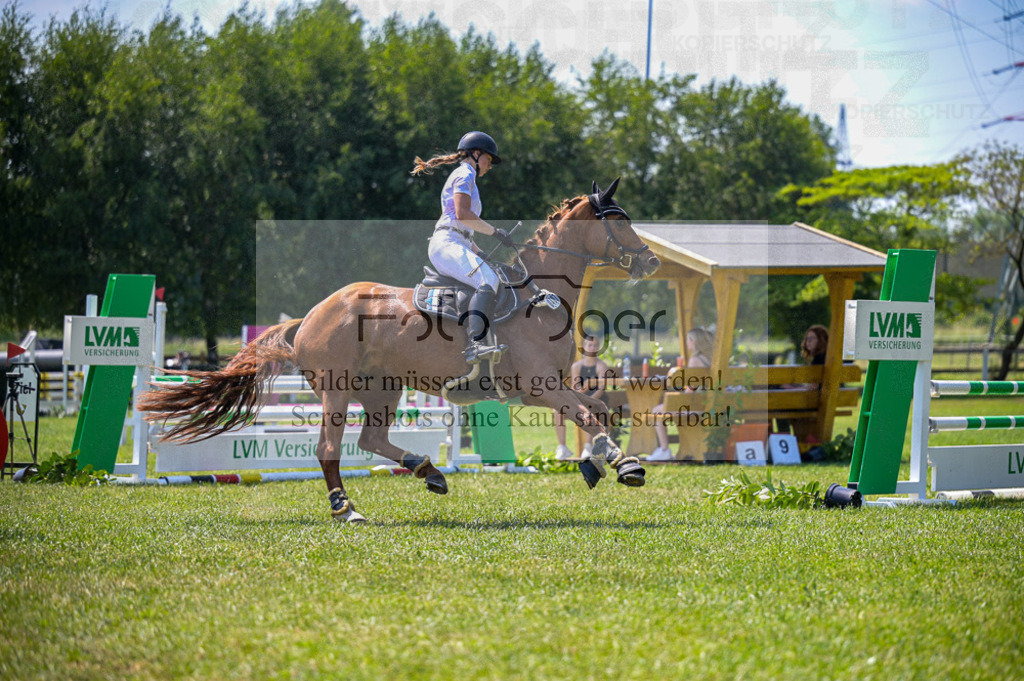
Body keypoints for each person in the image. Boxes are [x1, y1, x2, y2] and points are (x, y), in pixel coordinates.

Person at [411, 131, 515, 363]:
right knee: (488, 281)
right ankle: (475, 345)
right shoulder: (465, 174)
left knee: (490, 276)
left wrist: (480, 252)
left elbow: (463, 230)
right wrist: (496, 232)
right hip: (446, 243)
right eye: (489, 159)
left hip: (455, 241)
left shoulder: (467, 176)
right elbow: (463, 214)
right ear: (476, 154)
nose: (490, 165)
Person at [646, 327, 715, 461]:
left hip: (695, 407)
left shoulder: (695, 360)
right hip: (708, 404)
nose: (686, 343)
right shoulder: (710, 359)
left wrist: (679, 397)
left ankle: (664, 450)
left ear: (693, 341)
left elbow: (690, 390)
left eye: (688, 340)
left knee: (656, 411)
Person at [554, 334, 611, 460]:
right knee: (558, 411)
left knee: (588, 409)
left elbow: (601, 389)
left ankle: (588, 447)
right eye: (590, 345)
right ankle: (562, 447)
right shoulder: (577, 366)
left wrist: (589, 401)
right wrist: (582, 393)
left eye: (595, 345)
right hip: (580, 399)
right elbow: (575, 389)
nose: (592, 348)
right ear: (585, 347)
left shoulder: (601, 366)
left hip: (597, 400)